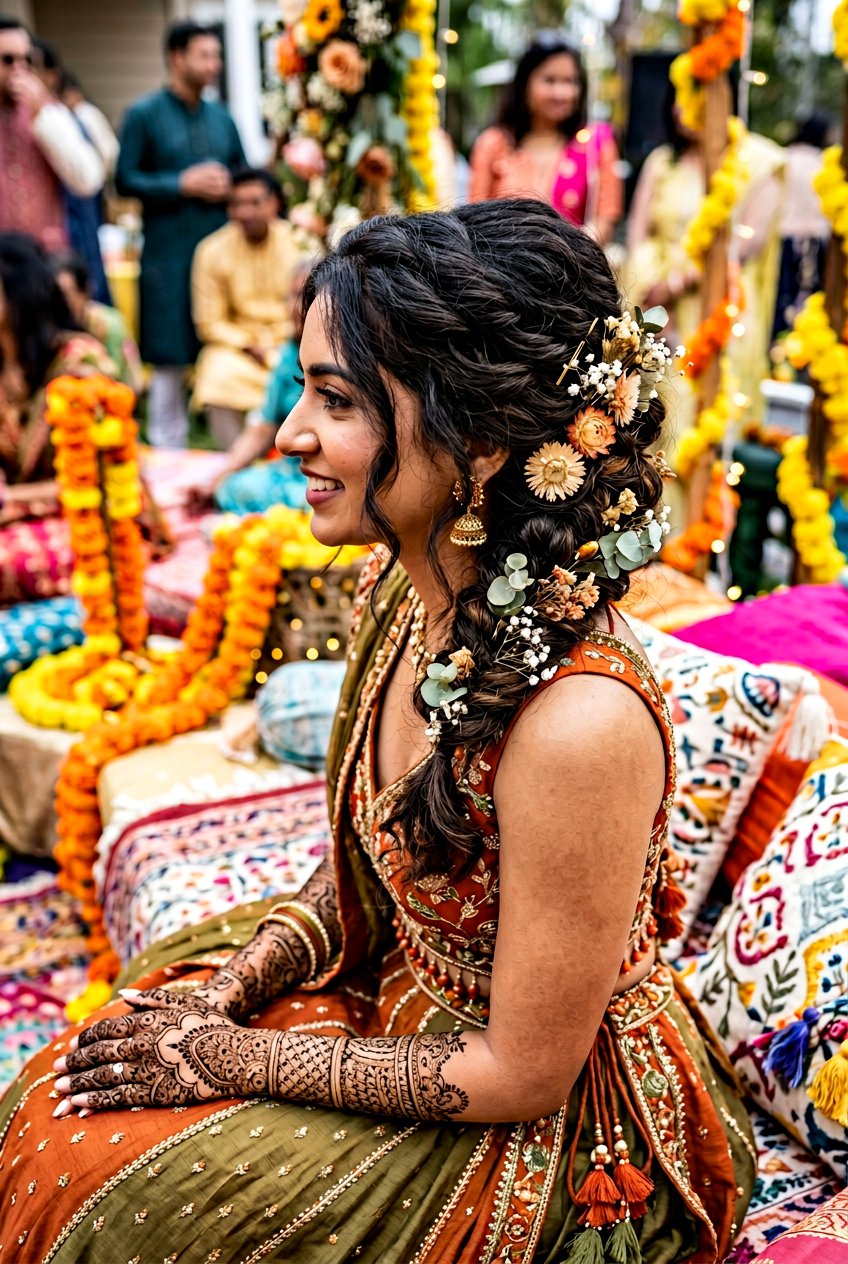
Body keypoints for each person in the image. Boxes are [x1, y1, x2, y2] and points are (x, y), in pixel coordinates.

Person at [1, 201, 754, 1262]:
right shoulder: (401, 593)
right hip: (398, 993)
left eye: (337, 399)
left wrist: (230, 1059)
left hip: (550, 1129)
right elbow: (367, 857)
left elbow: (522, 1072)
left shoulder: (579, 720)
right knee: (66, 1088)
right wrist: (230, 990)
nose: (287, 435)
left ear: (478, 441)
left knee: (109, 1196)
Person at [115, 20, 245, 449]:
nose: (214, 64)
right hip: (168, 254)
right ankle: (166, 449)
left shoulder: (222, 119)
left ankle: (231, 447)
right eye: (204, 55)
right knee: (169, 353)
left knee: (220, 339)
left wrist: (230, 186)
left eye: (216, 56)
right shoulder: (144, 114)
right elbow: (124, 179)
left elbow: (243, 173)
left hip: (220, 253)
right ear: (176, 57)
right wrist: (180, 184)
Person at [626, 82, 785, 411]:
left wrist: (676, 284)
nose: (683, 109)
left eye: (695, 98)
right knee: (655, 408)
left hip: (721, 301)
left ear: (724, 100)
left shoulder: (759, 161)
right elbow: (637, 233)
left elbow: (747, 242)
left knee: (715, 407)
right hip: (657, 304)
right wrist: (649, 294)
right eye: (679, 98)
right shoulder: (663, 161)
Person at [0, 231, 116, 603]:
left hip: (84, 515)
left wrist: (11, 499)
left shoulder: (78, 363)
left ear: (17, 293)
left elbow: (98, 480)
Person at [187, 256, 312, 514]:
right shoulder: (289, 355)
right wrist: (221, 476)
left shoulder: (342, 355)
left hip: (335, 473)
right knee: (233, 489)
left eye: (308, 296)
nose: (297, 306)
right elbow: (263, 427)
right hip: (294, 470)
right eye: (292, 296)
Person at [469, 35, 622, 245]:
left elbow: (604, 222)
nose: (562, 93)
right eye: (550, 80)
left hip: (571, 261)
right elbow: (473, 221)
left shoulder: (594, 145)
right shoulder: (494, 144)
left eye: (570, 81)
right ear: (524, 84)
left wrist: (560, 253)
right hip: (499, 261)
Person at [191, 166, 304, 450]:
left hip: (292, 342)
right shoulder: (211, 250)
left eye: (254, 202)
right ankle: (234, 457)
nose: (245, 212)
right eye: (236, 204)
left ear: (273, 203)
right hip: (240, 349)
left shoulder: (298, 242)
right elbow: (209, 322)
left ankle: (293, 455)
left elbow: (311, 305)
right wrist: (248, 344)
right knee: (215, 372)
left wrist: (285, 340)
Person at [0, 15, 104, 254]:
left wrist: (42, 115)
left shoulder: (51, 112)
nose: (19, 69)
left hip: (44, 257)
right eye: (8, 60)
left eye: (27, 60)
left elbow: (87, 181)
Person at [30, 37, 112, 305]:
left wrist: (41, 114)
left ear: (50, 76)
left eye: (29, 65)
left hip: (74, 230)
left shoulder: (61, 118)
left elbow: (93, 174)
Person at [772, 111, 831, 339]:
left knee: (781, 297)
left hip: (784, 236)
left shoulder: (785, 159)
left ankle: (779, 343)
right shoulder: (823, 164)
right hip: (814, 240)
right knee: (808, 301)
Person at [50, 249, 143, 392]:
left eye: (67, 294)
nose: (62, 302)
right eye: (56, 295)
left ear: (85, 291)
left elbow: (126, 380)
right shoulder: (48, 325)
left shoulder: (109, 324)